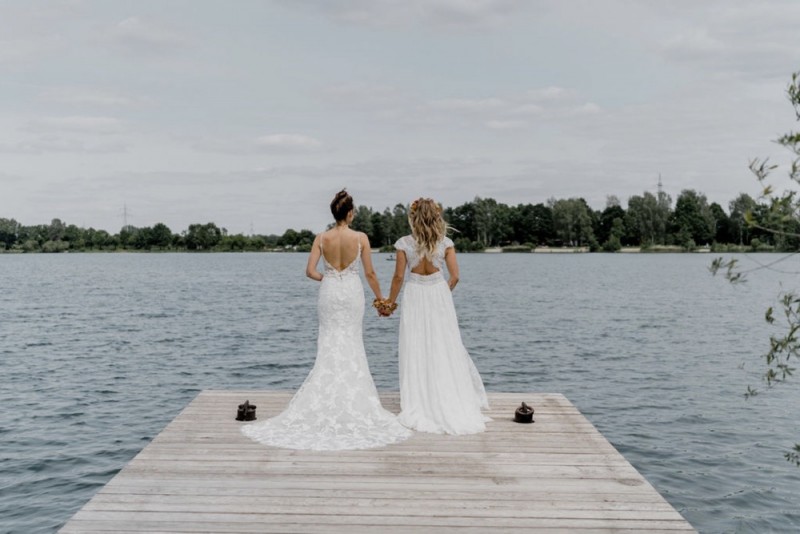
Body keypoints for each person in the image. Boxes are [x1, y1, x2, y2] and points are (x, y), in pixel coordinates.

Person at [242, 190, 411, 450]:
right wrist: (382, 301)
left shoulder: (321, 238)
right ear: (351, 213)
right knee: (352, 341)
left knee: (330, 342)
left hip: (330, 294)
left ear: (334, 213)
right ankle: (354, 400)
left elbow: (310, 271)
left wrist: (329, 279)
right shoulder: (361, 238)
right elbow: (370, 273)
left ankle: (326, 396)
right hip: (352, 293)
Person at [379, 197, 490, 435]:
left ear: (414, 217)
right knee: (444, 343)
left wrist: (390, 303)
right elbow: (455, 276)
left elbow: (398, 278)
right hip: (439, 292)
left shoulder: (403, 244)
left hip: (415, 292)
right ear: (436, 217)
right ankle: (446, 393)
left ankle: (418, 398)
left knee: (416, 344)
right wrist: (441, 292)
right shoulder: (446, 242)